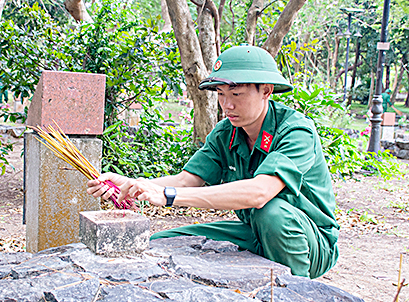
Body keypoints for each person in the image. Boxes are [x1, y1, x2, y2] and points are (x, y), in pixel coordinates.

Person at [87, 45, 339, 279]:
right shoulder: (225, 133)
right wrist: (134, 185)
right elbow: (187, 180)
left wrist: (168, 196)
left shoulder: (295, 131)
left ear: (266, 91)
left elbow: (260, 193)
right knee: (162, 241)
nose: (227, 105)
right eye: (221, 94)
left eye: (237, 94)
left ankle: (297, 298)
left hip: (309, 241)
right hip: (255, 231)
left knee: (272, 214)